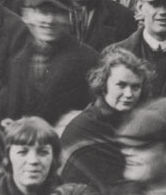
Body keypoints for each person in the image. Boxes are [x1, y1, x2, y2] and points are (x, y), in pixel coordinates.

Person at [58, 47, 147, 188]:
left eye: (136, 87)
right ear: (104, 83)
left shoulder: (137, 123)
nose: (129, 94)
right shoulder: (85, 127)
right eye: (121, 85)